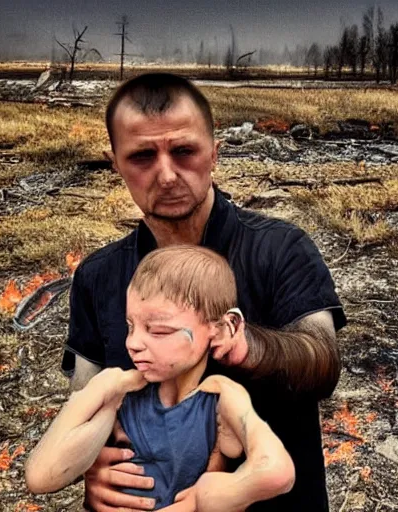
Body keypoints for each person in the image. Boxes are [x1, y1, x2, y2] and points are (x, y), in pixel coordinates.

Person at [61, 73, 347, 512]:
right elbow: (86, 400)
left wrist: (250, 347)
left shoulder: (280, 249)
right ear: (114, 162)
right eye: (141, 156)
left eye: (183, 150)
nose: (167, 173)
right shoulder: (98, 276)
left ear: (214, 152)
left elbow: (324, 361)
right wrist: (93, 465)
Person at [26, 246, 295, 511]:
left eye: (158, 330)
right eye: (130, 326)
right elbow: (41, 477)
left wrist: (212, 496)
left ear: (223, 329)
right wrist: (99, 390)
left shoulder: (219, 399)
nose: (133, 343)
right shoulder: (122, 396)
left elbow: (276, 471)